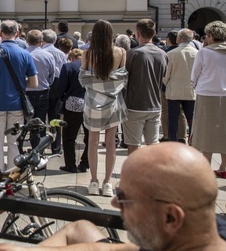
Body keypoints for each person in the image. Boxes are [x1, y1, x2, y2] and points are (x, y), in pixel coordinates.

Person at [0, 142, 226, 251]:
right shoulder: (211, 232)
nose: (115, 205)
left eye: (124, 198)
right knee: (81, 228)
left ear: (171, 217)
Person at [0, 20, 38, 173]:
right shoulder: (25, 54)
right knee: (14, 143)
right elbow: (34, 83)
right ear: (17, 33)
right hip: (16, 104)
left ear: (0, 32)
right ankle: (13, 176)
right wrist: (19, 82)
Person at [79, 20, 127, 197]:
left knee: (92, 142)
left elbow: (83, 78)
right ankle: (107, 183)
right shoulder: (121, 52)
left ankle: (93, 181)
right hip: (113, 101)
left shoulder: (88, 53)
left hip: (93, 102)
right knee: (111, 144)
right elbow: (122, 78)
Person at [123, 19, 167, 154]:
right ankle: (153, 172)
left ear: (137, 34)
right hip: (154, 104)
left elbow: (124, 78)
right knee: (153, 144)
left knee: (133, 144)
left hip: (135, 105)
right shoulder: (163, 54)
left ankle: (134, 174)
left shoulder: (133, 54)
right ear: (154, 33)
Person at [190, 21, 226, 177]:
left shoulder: (204, 53)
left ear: (211, 36)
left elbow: (194, 76)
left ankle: (205, 168)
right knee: (224, 133)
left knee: (206, 133)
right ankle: (224, 167)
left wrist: (196, 85)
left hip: (207, 94)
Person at [51, 49, 89, 173]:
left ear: (72, 58)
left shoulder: (68, 67)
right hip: (90, 102)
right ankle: (85, 163)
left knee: (69, 136)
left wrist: (62, 99)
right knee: (90, 137)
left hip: (73, 103)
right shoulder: (91, 66)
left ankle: (70, 164)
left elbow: (61, 87)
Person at [163, 28, 196, 143]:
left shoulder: (171, 53)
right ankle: (193, 142)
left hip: (174, 91)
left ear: (180, 38)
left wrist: (165, 83)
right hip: (191, 90)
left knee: (173, 119)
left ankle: (173, 142)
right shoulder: (197, 53)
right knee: (192, 120)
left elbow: (166, 74)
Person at [25, 30, 56, 148]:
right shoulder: (48, 56)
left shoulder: (23, 54)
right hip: (42, 92)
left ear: (27, 41)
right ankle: (38, 151)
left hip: (26, 93)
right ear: (41, 41)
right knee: (41, 124)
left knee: (24, 124)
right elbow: (52, 76)